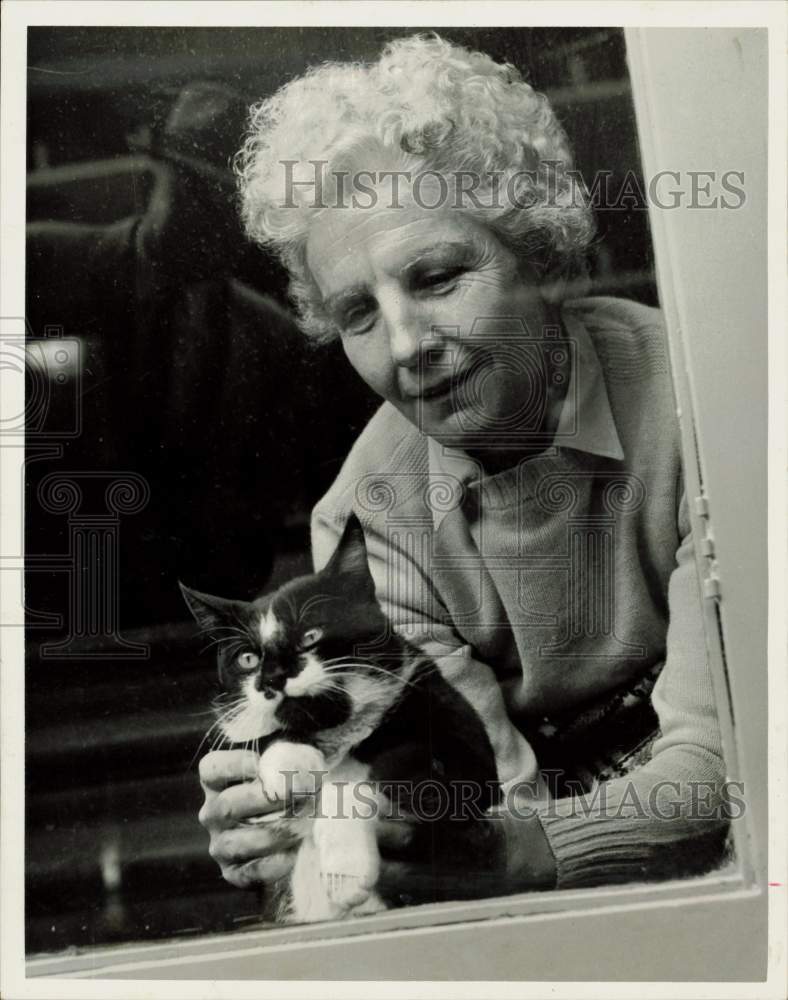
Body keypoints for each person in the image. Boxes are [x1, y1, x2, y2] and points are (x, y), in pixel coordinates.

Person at [198, 33, 730, 905]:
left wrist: (515, 852)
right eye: (359, 313)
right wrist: (295, 816)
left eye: (439, 277)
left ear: (541, 251)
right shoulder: (365, 524)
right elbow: (476, 797)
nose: (406, 346)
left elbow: (731, 757)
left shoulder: (710, 408)